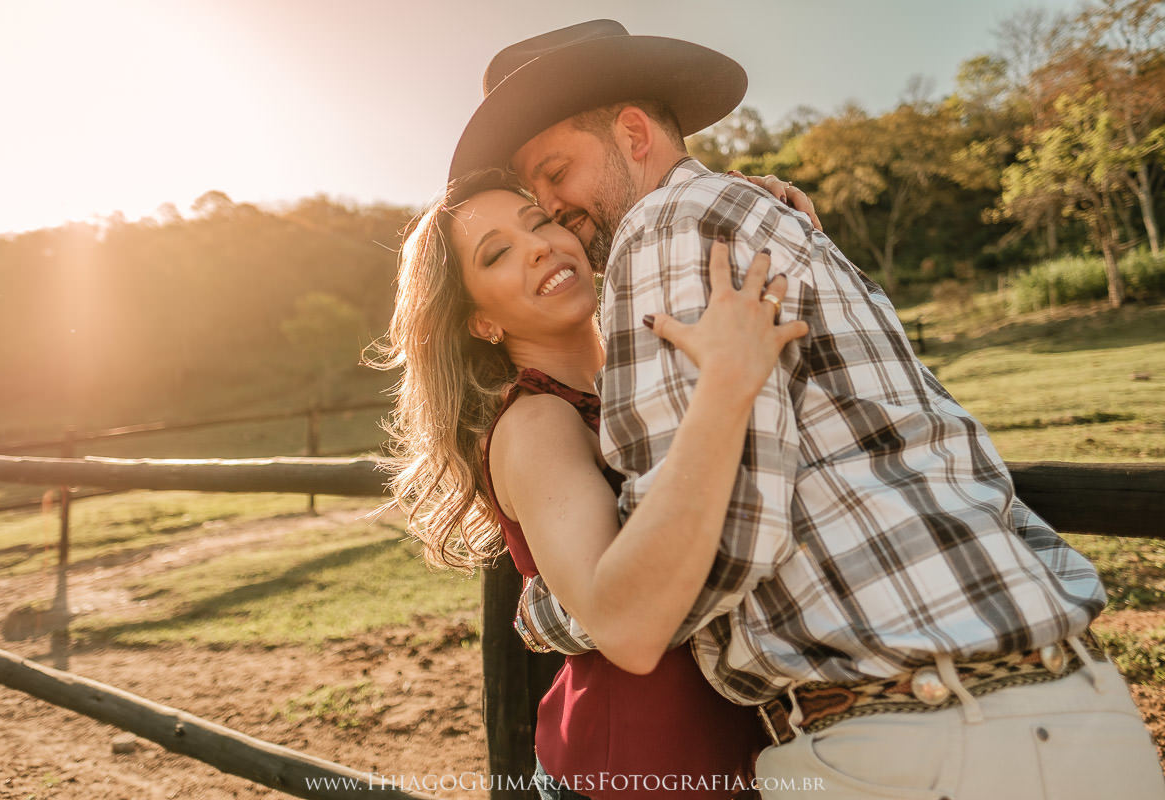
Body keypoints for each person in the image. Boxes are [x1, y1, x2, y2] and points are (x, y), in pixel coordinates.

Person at [448, 19, 1165, 800]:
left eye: (554, 178)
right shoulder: (770, 225)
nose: (553, 214)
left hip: (914, 737)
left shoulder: (661, 231)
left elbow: (692, 562)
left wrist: (552, 607)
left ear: (631, 132)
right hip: (1073, 706)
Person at [374, 167, 810, 799]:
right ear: (480, 323)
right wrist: (726, 381)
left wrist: (762, 212)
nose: (540, 246)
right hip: (632, 773)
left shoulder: (642, 372)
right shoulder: (536, 422)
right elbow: (624, 623)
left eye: (540, 223)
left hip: (740, 755)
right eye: (498, 253)